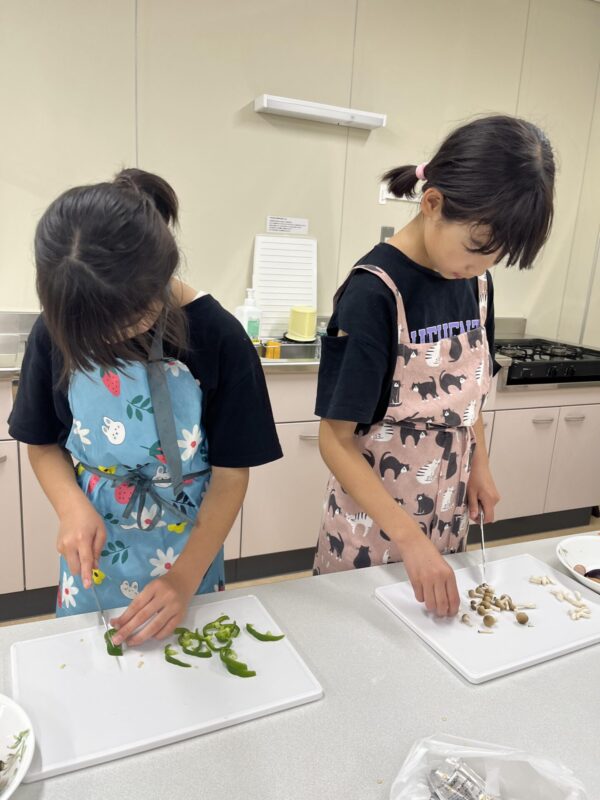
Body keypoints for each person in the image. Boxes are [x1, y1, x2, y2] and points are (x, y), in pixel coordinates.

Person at [8, 168, 282, 646]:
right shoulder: (54, 329)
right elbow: (40, 443)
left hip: (190, 546)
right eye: (88, 334)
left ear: (159, 281)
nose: (104, 340)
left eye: (121, 324)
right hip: (95, 549)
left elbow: (232, 473)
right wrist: (71, 508)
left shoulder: (219, 338)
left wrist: (182, 578)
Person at [313, 115, 555, 617]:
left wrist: (480, 466)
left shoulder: (475, 282)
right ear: (432, 203)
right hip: (374, 527)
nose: (480, 267)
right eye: (475, 248)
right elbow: (334, 441)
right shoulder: (373, 293)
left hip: (448, 514)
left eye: (496, 255)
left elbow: (469, 395)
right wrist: (409, 540)